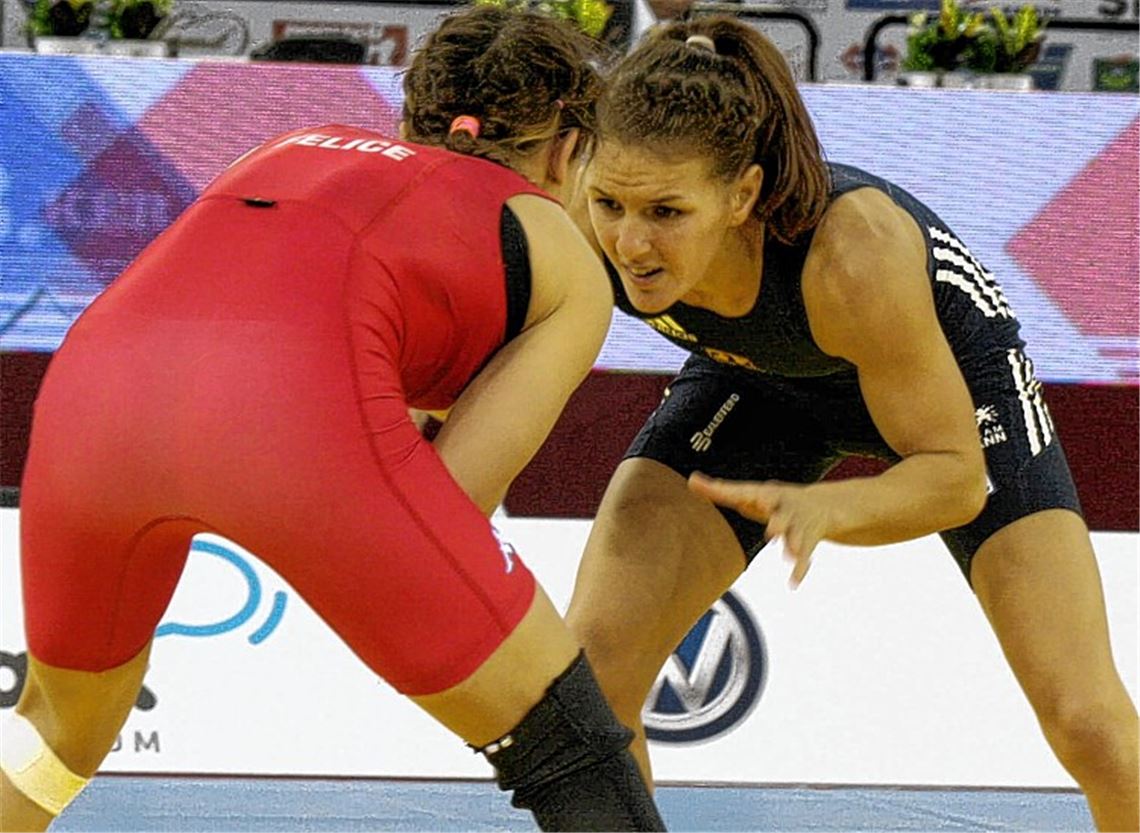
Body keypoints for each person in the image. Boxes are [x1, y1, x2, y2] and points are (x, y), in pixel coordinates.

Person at [0, 7, 666, 832]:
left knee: (57, 732)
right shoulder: (555, 244)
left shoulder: (290, 147)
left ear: (408, 116)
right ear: (568, 149)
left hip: (89, 401)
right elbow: (454, 497)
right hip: (294, 425)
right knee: (571, 749)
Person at [564, 15, 1139, 832]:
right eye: (609, 203)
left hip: (955, 394)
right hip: (760, 384)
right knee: (591, 682)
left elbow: (955, 477)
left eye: (665, 211)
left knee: (1087, 720)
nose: (630, 241)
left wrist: (830, 509)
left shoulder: (853, 251)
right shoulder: (583, 225)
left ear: (744, 196)